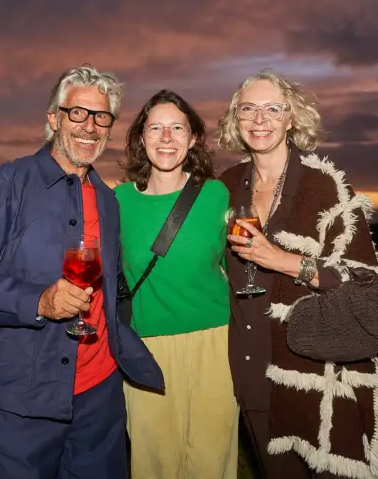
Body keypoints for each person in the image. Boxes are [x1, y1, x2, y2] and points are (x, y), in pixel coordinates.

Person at [0, 65, 164, 479]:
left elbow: (111, 289)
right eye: (77, 113)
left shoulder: (109, 201)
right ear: (53, 118)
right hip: (21, 400)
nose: (89, 126)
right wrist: (38, 300)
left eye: (101, 117)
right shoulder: (1, 186)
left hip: (99, 398)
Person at [216, 71, 378, 479]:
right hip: (251, 366)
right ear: (236, 120)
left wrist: (286, 261)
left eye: (273, 108)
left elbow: (367, 283)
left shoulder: (325, 186)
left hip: (319, 372)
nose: (260, 119)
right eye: (248, 109)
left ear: (292, 119)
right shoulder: (227, 186)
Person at [116, 89, 238, 479]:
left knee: (211, 460)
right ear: (141, 138)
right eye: (156, 128)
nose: (166, 138)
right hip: (146, 347)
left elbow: (239, 261)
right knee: (153, 463)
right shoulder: (116, 201)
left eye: (176, 128)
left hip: (215, 345)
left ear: (194, 138)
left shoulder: (217, 195)